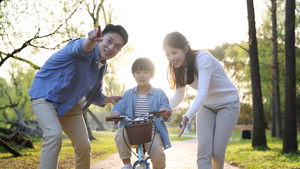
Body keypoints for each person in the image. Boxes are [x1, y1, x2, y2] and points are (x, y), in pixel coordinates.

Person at [29, 24, 128, 169]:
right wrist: (90, 40)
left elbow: (92, 92)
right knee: (54, 135)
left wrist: (107, 99)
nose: (111, 48)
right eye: (109, 41)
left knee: (84, 145)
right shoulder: (82, 45)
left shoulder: (103, 65)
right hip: (46, 96)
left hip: (69, 104)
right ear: (100, 38)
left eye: (117, 46)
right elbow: (81, 49)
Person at [162, 31, 240, 169]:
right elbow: (178, 97)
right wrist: (160, 108)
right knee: (203, 150)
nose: (171, 58)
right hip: (207, 106)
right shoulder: (177, 68)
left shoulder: (203, 58)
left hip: (228, 103)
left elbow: (203, 91)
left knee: (216, 153)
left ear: (185, 48)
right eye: (168, 54)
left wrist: (188, 115)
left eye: (174, 52)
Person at [110, 57, 172, 169]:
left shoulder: (159, 93)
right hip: (131, 128)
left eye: (145, 72)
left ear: (152, 75)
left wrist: (164, 110)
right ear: (133, 75)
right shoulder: (128, 93)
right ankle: (127, 164)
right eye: (138, 72)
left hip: (152, 130)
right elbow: (119, 106)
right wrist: (115, 112)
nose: (141, 75)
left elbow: (165, 105)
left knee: (157, 152)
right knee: (120, 134)